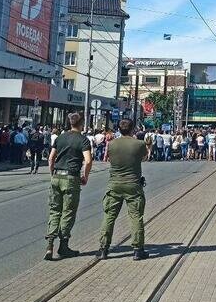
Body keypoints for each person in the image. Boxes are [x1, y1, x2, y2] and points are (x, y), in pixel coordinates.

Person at [97, 119, 149, 261]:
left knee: (109, 216)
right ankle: (138, 250)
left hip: (114, 184)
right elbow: (144, 157)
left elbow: (107, 158)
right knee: (136, 217)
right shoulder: (139, 144)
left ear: (119, 129)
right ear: (133, 129)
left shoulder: (111, 144)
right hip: (133, 184)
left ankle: (103, 249)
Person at [45, 112, 92, 261]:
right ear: (81, 123)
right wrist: (85, 176)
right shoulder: (83, 140)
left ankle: (49, 245)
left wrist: (52, 172)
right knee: (68, 212)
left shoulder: (60, 137)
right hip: (71, 177)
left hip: (56, 176)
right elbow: (88, 160)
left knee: (54, 210)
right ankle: (63, 246)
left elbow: (51, 157)